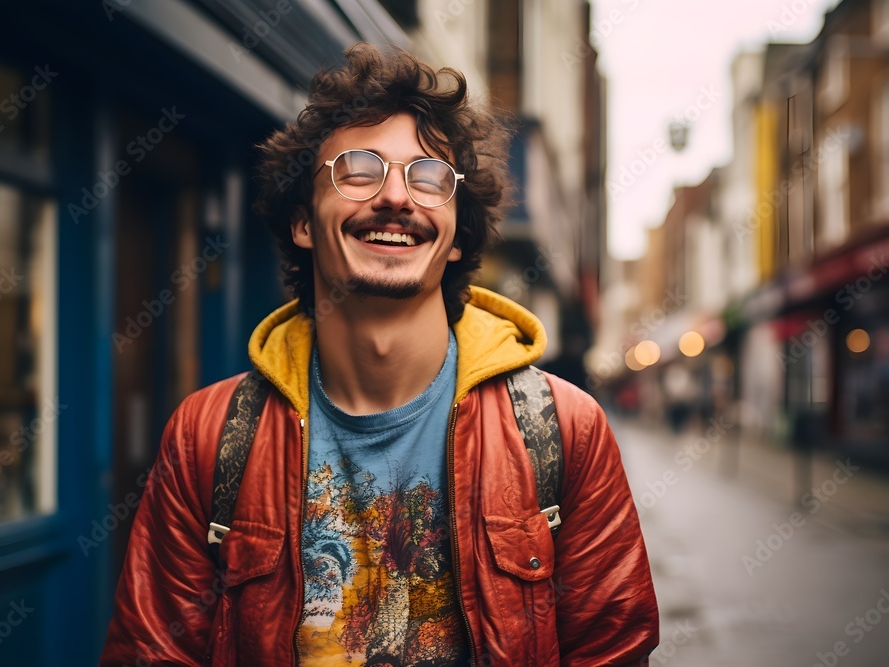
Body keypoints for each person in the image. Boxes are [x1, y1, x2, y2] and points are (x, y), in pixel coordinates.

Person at [100, 43, 658, 666]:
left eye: (428, 179)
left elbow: (613, 651)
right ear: (304, 223)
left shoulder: (563, 431)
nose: (397, 197)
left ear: (454, 238)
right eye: (359, 170)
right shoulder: (208, 436)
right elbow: (151, 654)